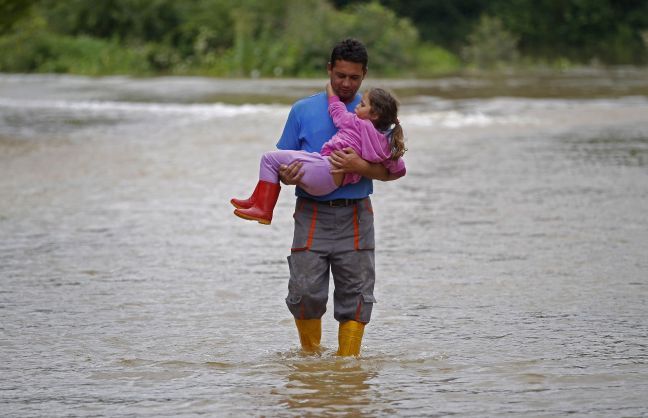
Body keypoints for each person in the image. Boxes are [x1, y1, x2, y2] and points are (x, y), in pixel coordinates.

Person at [248, 39, 402, 356]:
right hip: (310, 212)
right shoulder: (302, 110)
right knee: (304, 292)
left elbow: (392, 169)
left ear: (364, 75)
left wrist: (360, 166)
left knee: (357, 295)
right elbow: (282, 163)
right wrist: (286, 177)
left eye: (354, 78)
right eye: (340, 75)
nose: (346, 84)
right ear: (329, 69)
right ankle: (311, 362)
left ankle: (348, 367)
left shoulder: (376, 111)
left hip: (356, 214)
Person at [230, 82, 406, 224]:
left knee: (269, 159)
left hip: (325, 170)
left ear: (373, 114)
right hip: (331, 179)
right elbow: (398, 169)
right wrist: (367, 167)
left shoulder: (356, 122)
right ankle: (257, 200)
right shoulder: (385, 141)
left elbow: (337, 111)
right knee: (280, 161)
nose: (356, 107)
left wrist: (331, 91)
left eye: (362, 105)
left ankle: (263, 208)